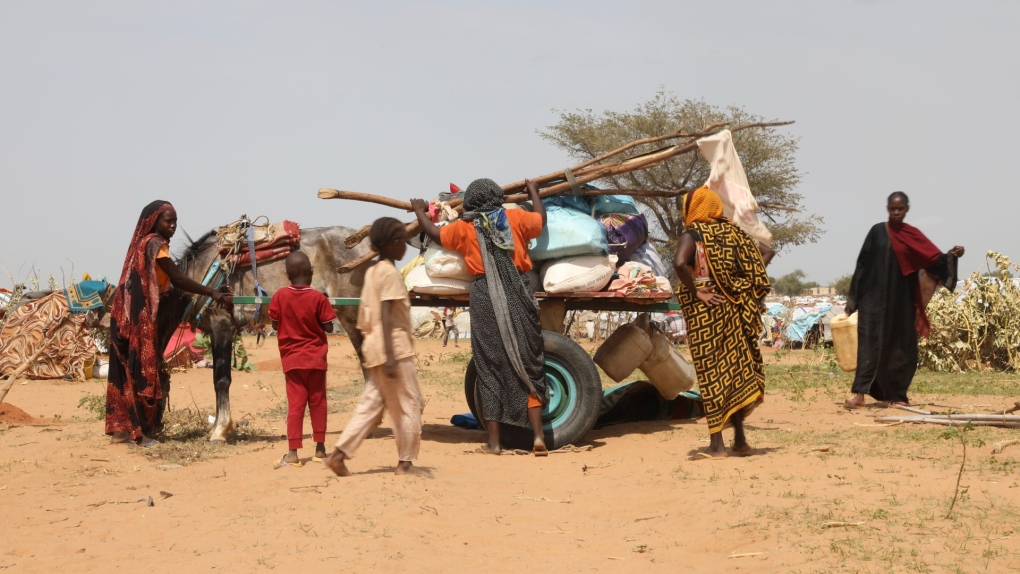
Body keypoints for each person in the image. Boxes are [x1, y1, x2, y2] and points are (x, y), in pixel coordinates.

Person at [411, 178, 549, 456]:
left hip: (485, 295)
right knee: (527, 362)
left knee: (490, 365)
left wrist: (419, 212)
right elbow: (541, 220)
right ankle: (538, 438)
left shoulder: (464, 227)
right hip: (520, 292)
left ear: (471, 202)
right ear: (497, 196)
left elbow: (435, 236)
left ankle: (495, 443)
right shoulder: (516, 217)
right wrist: (534, 191)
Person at [106, 200, 229, 446]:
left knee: (125, 372)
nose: (173, 226)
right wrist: (211, 292)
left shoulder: (141, 244)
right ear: (154, 221)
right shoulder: (155, 244)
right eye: (168, 221)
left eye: (175, 221)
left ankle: (121, 432)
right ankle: (141, 435)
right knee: (143, 369)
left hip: (122, 313)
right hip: (137, 317)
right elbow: (178, 278)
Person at [673, 186, 774, 459]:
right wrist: (738, 285)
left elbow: (680, 263)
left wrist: (697, 290)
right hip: (734, 312)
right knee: (735, 372)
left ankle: (717, 445)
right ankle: (740, 439)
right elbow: (766, 251)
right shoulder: (734, 233)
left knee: (712, 375)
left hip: (707, 313)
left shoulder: (694, 234)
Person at [325, 217, 428, 477]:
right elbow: (384, 312)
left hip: (373, 347)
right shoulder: (391, 274)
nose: (406, 247)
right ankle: (405, 462)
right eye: (404, 242)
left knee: (370, 405)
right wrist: (391, 357)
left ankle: (339, 454)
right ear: (394, 244)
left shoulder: (371, 271)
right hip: (394, 349)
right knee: (410, 404)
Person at [844, 192, 964, 408]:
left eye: (900, 209)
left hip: (901, 302)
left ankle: (898, 395)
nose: (896, 212)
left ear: (907, 209)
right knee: (868, 345)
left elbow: (934, 260)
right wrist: (853, 299)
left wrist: (952, 256)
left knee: (901, 347)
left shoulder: (912, 235)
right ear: (887, 208)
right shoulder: (877, 232)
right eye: (892, 209)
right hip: (872, 299)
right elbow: (862, 264)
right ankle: (859, 395)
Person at [269, 251, 337, 468]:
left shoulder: (279, 296)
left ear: (287, 275)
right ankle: (320, 449)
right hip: (316, 358)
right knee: (318, 404)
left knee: (295, 406)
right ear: (311, 272)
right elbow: (329, 326)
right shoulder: (318, 298)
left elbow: (274, 323)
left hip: (292, 360)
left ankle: (293, 453)